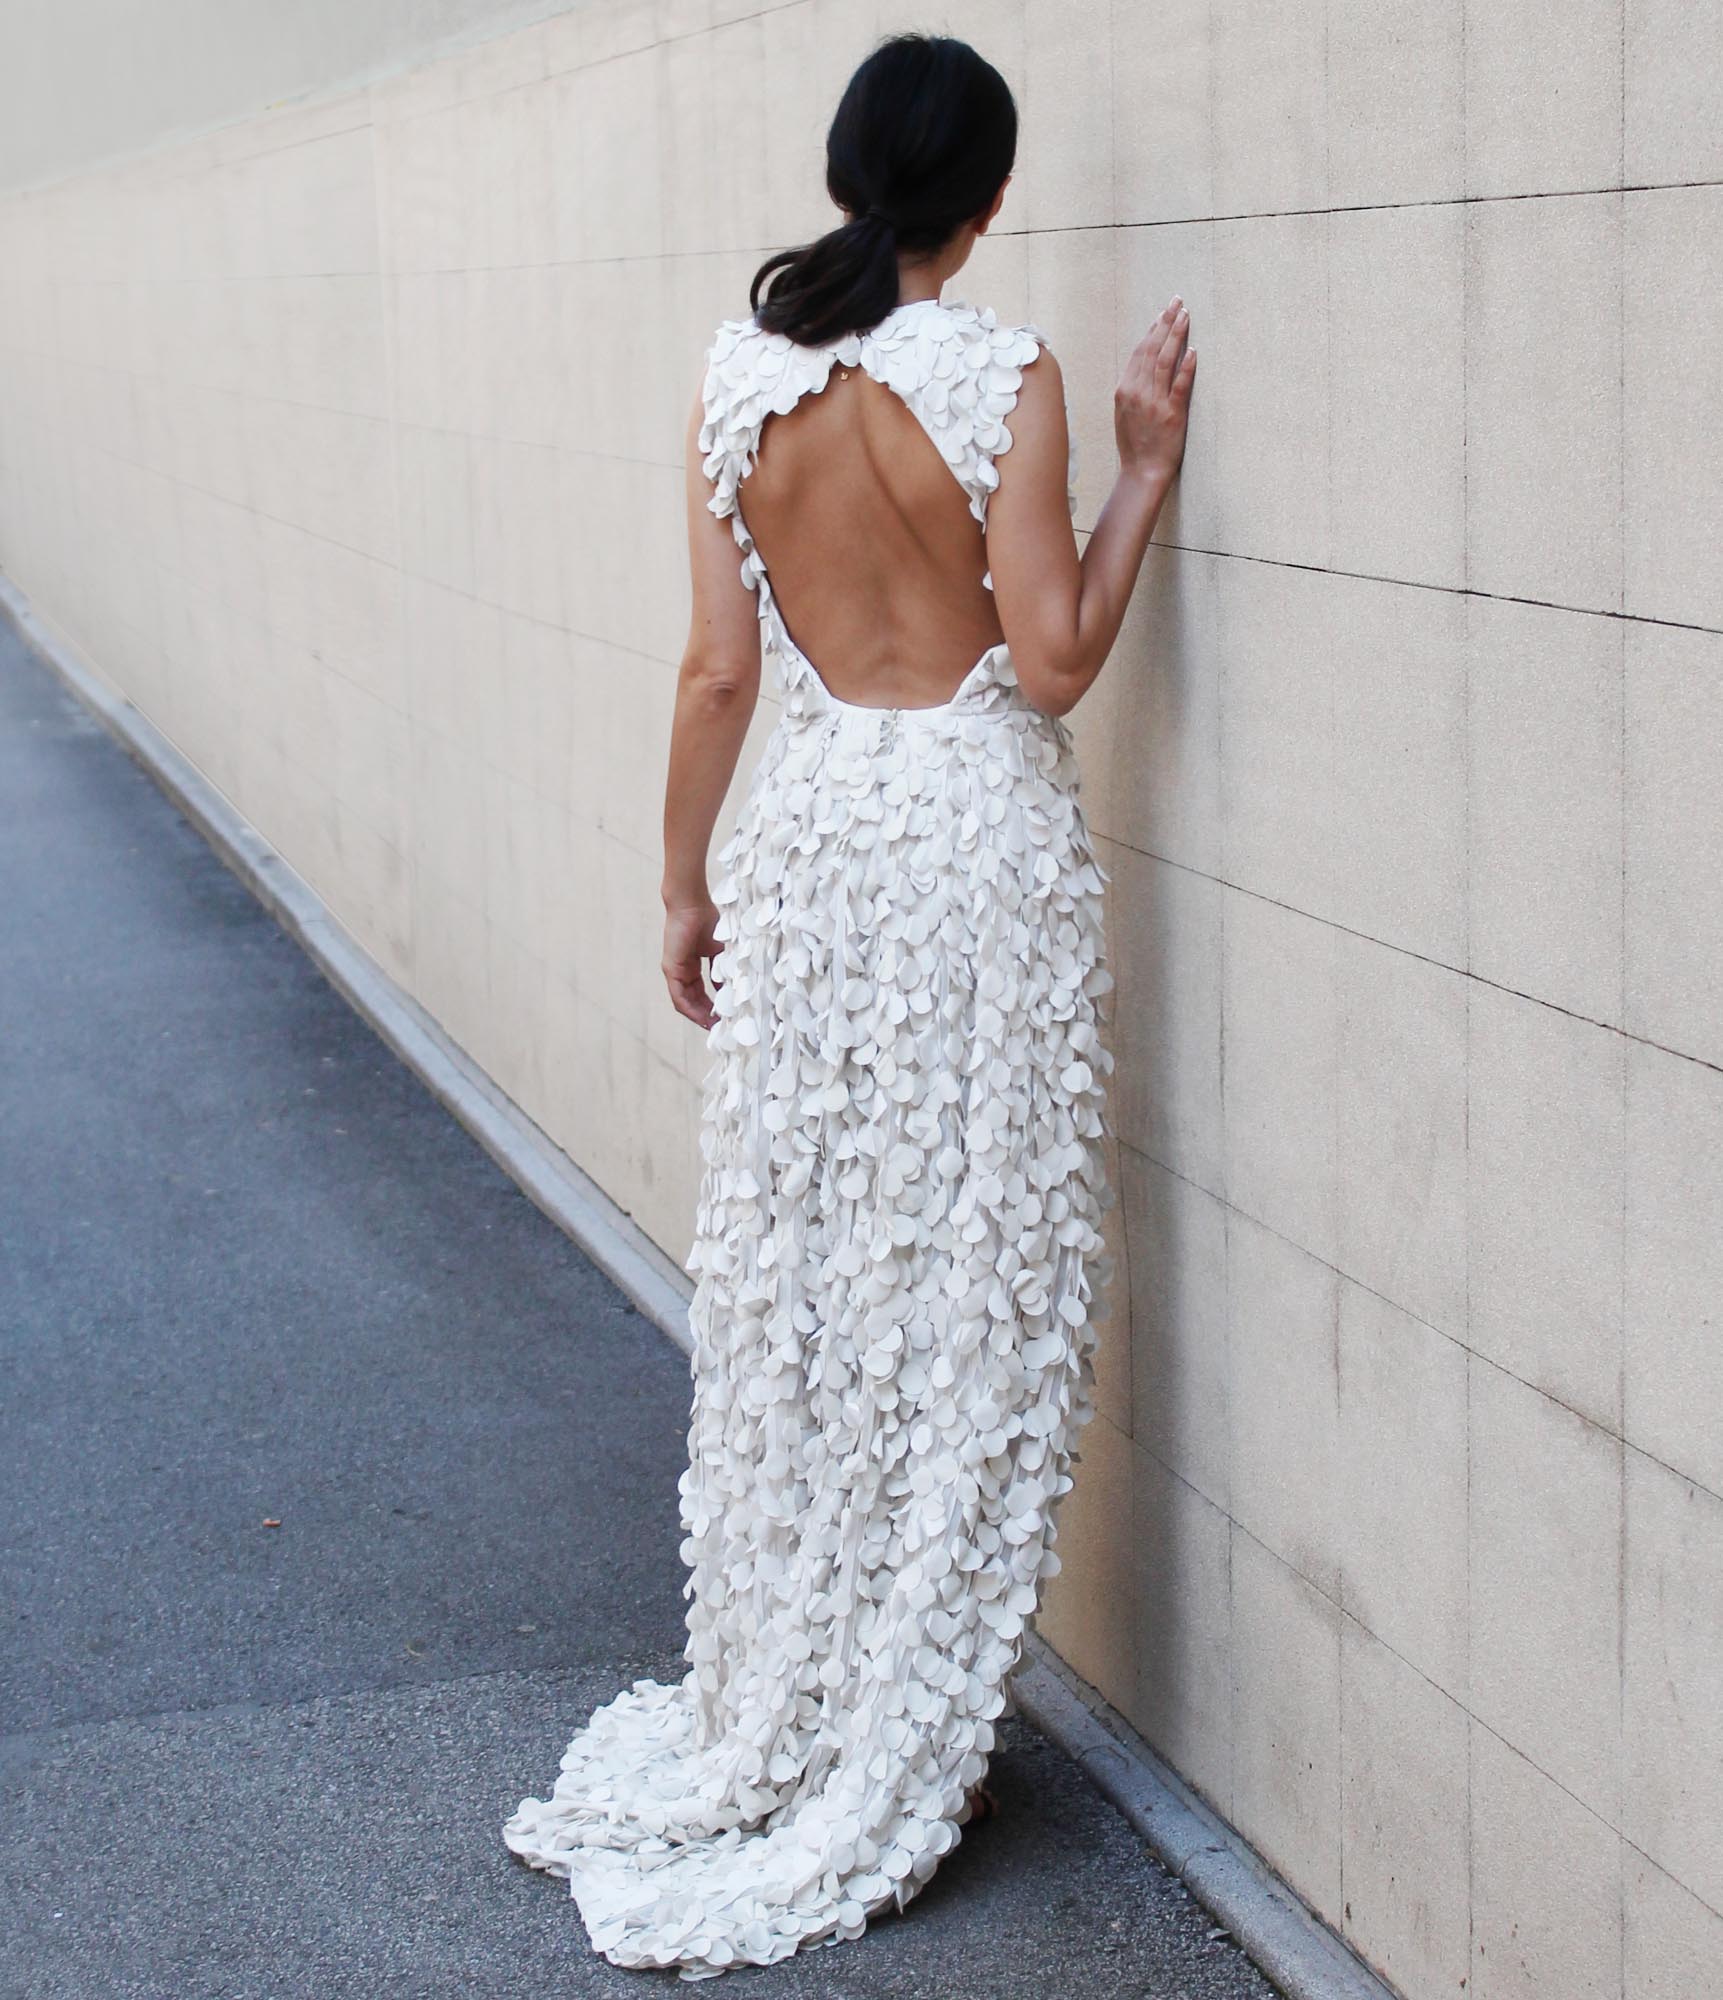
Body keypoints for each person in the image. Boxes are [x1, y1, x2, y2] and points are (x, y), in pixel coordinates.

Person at [503, 29, 1195, 1980]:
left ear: (838, 172)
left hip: (812, 846)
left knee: (810, 1271)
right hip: (967, 844)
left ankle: (799, 1692)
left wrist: (677, 875)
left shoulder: (738, 376)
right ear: (984, 204)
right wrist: (1143, 475)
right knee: (964, 1270)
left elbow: (719, 672)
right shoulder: (1008, 373)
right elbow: (1051, 665)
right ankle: (915, 1717)